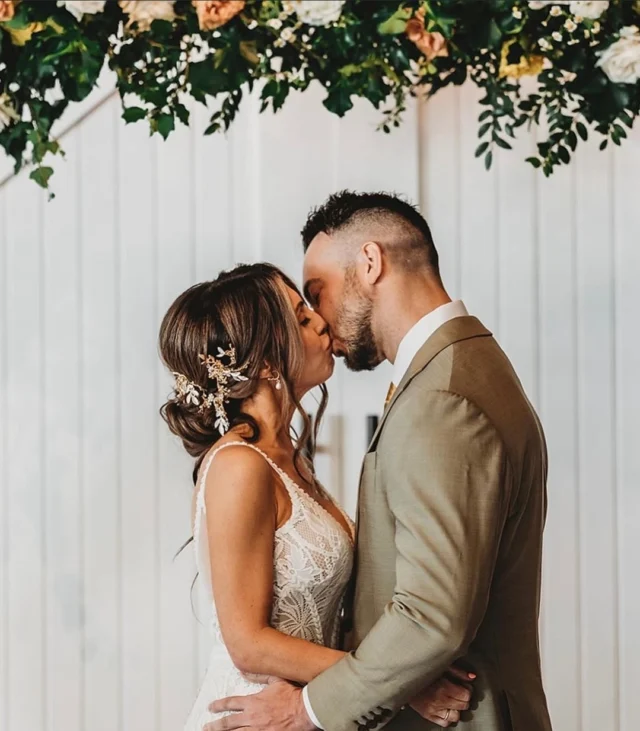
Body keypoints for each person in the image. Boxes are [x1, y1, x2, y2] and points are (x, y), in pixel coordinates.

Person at [206, 192, 552, 731]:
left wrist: (308, 708)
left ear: (370, 263)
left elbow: (431, 617)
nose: (317, 319)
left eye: (315, 294)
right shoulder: (459, 370)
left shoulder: (442, 399)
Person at [158, 263, 473, 731]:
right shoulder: (239, 467)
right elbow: (248, 642)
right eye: (302, 319)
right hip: (253, 717)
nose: (321, 322)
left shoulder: (290, 460)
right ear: (265, 362)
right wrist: (397, 683)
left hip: (302, 712)